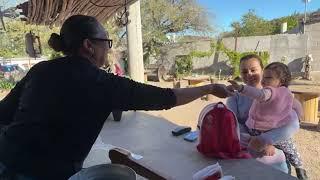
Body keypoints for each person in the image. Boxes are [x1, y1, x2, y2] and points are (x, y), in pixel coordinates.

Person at [0, 15, 231, 180]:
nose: (108, 49)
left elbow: (4, 112)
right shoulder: (102, 83)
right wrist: (207, 88)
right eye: (106, 42)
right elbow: (166, 96)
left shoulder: (40, 70)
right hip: (46, 173)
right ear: (89, 45)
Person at [226, 55, 307, 180]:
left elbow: (293, 123)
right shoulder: (234, 96)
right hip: (248, 152)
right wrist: (251, 140)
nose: (249, 74)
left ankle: (299, 168)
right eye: (244, 71)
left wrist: (267, 140)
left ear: (262, 70)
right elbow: (233, 122)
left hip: (274, 156)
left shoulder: (279, 94)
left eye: (253, 70)